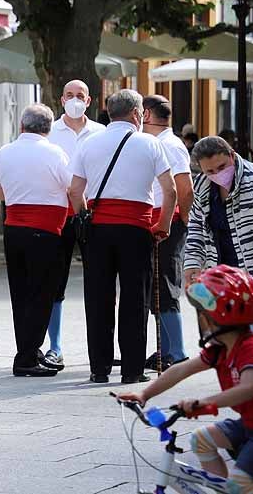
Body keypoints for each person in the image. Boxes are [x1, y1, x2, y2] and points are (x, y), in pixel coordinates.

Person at [68, 89, 175, 385]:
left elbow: (75, 191)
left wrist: (85, 215)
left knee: (98, 299)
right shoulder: (150, 144)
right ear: (137, 114)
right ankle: (131, 370)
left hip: (99, 229)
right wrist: (163, 225)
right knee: (135, 299)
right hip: (137, 229)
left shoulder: (88, 143)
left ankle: (99, 369)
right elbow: (171, 191)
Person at [117, 266, 253, 492]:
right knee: (201, 439)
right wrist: (144, 394)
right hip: (249, 425)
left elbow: (249, 388)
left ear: (213, 318)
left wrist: (204, 402)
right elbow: (181, 370)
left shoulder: (250, 348)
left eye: (201, 315)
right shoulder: (219, 350)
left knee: (239, 483)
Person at [0, 104, 72, 378]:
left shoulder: (4, 152)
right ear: (48, 128)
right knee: (42, 294)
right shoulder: (56, 153)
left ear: (21, 126)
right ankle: (26, 356)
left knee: (21, 294)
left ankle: (27, 349)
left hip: (14, 229)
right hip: (47, 229)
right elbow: (71, 188)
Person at [44, 79, 105, 370]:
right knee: (56, 282)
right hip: (60, 214)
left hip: (95, 214)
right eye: (69, 95)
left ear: (89, 101)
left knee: (102, 281)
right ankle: (54, 346)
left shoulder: (102, 133)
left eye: (79, 95)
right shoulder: (49, 133)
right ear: (61, 99)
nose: (74, 99)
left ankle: (104, 347)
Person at [142, 95, 194, 371]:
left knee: (165, 283)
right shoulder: (157, 143)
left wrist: (183, 223)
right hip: (158, 220)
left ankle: (176, 349)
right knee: (157, 285)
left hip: (169, 221)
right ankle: (166, 348)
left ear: (147, 114)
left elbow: (184, 189)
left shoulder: (170, 145)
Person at [184, 136, 253, 278]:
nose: (217, 174)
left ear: (232, 155)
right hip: (221, 275)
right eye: (210, 171)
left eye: (222, 167)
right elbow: (196, 226)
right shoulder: (202, 186)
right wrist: (192, 263)